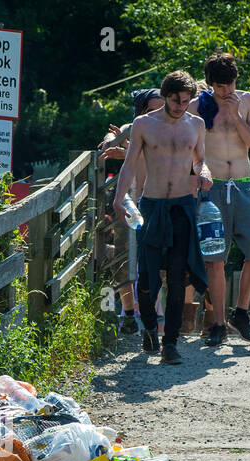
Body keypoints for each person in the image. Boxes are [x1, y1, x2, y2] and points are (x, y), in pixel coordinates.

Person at [113, 70, 211, 365]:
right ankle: (149, 330)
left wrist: (203, 171)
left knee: (179, 278)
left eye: (185, 100)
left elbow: (200, 159)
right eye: (175, 100)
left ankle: (171, 343)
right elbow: (129, 164)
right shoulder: (144, 124)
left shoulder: (196, 124)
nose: (180, 105)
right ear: (165, 95)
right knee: (148, 277)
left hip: (182, 205)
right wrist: (120, 197)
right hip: (152, 206)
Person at [189, 53, 250, 346]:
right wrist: (200, 172)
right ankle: (218, 322)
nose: (227, 90)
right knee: (215, 258)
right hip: (213, 187)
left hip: (245, 183)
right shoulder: (197, 107)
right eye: (221, 86)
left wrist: (235, 116)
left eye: (231, 83)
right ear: (210, 84)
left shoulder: (249, 100)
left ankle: (242, 312)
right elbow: (193, 153)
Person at [99, 88, 163, 333]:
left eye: (162, 106)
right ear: (141, 110)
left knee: (155, 261)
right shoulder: (134, 126)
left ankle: (151, 317)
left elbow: (153, 157)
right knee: (123, 256)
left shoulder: (170, 130)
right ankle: (127, 314)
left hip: (158, 200)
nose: (159, 112)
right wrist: (110, 141)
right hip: (131, 201)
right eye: (152, 108)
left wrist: (125, 152)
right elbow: (113, 134)